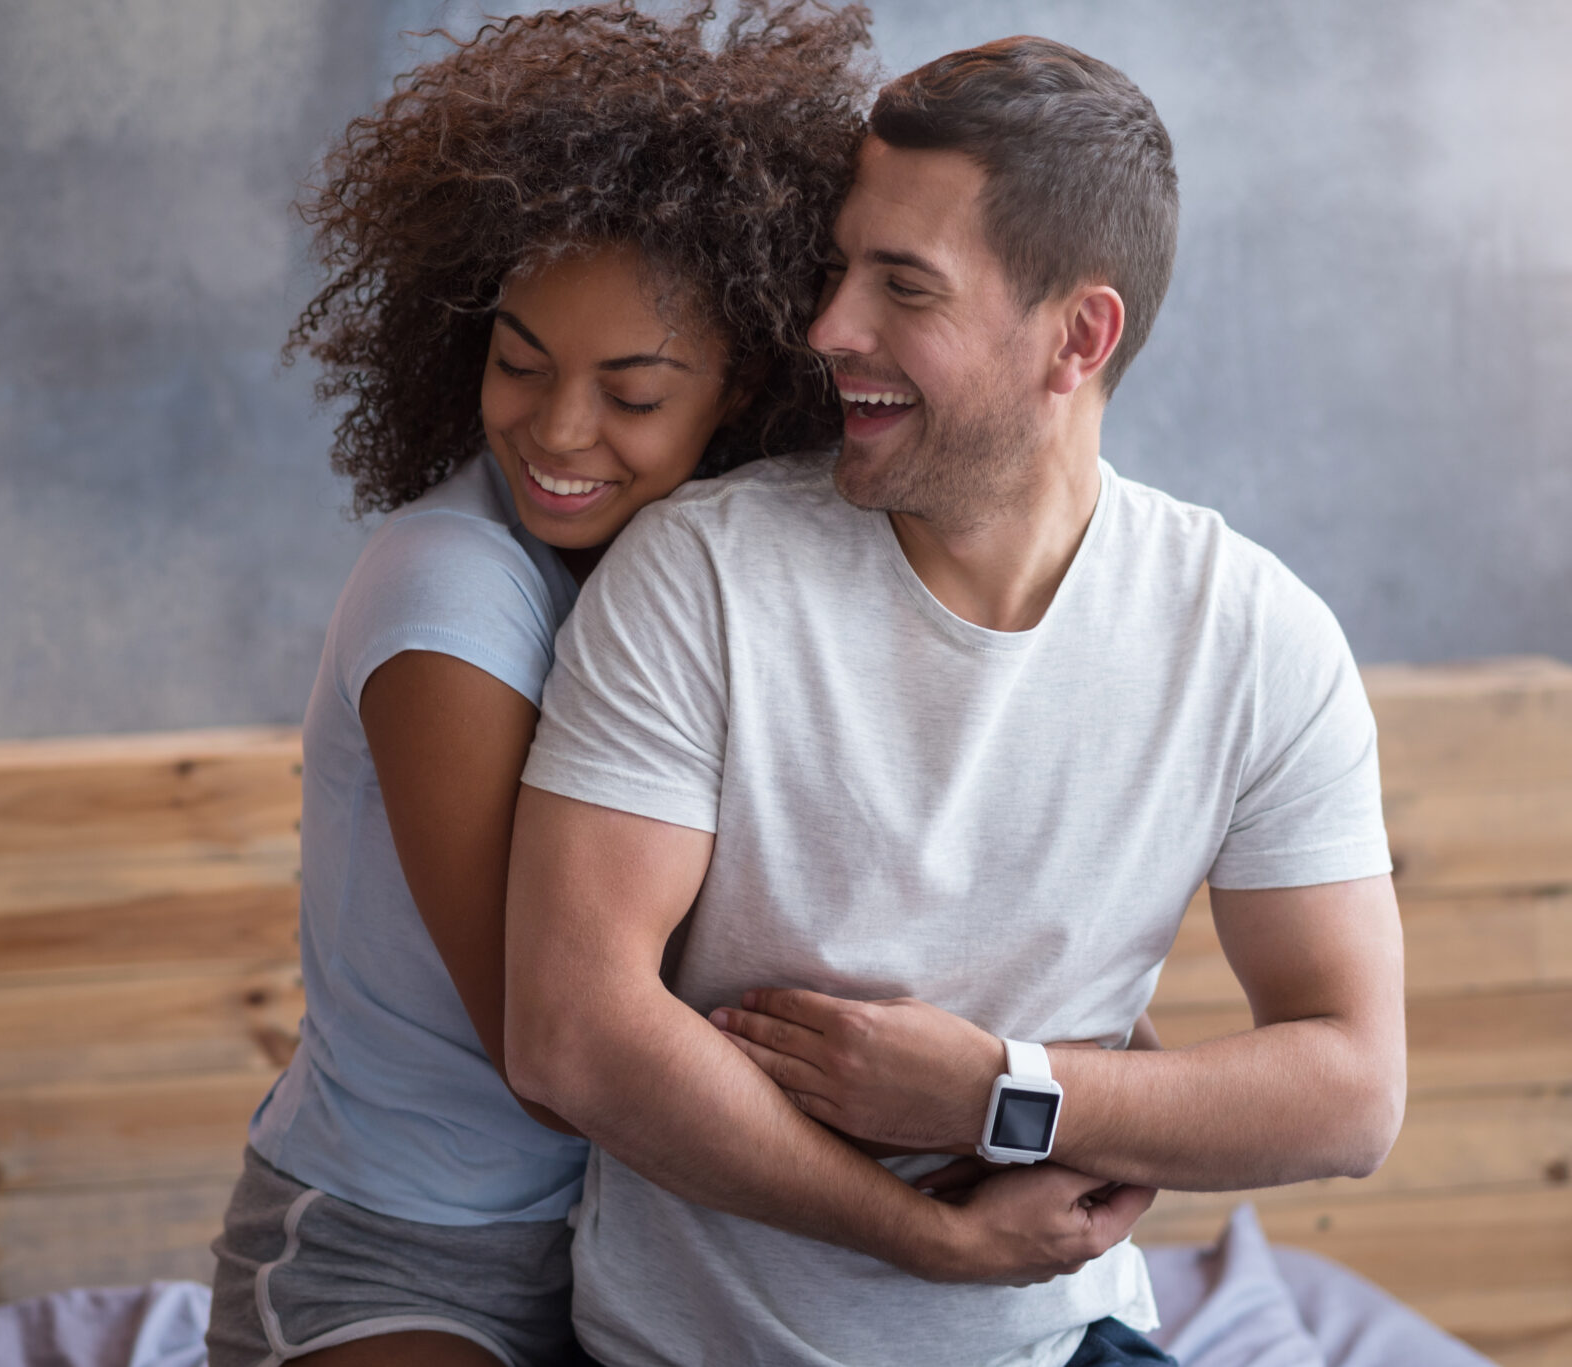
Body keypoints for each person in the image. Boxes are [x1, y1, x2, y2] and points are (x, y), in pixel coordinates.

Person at [505, 34, 1407, 1367]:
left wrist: (1005, 1095)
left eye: (904, 288)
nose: (829, 330)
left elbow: (1350, 1093)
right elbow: (568, 1032)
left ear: (1078, 335)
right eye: (842, 266)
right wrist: (922, 1235)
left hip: (1064, 1345)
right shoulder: (703, 577)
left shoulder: (1256, 637)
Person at [205, 7, 875, 1366]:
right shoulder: (449, 587)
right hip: (399, 1252)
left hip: (648, 1249)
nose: (557, 432)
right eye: (520, 362)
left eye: (631, 395)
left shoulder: (724, 576)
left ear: (742, 380)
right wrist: (916, 1204)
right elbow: (555, 1046)